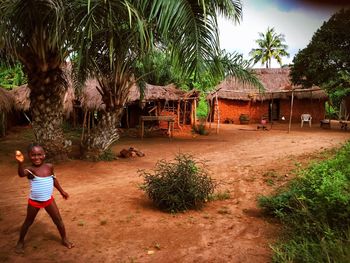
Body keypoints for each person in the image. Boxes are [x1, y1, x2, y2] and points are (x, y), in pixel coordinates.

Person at [15, 143, 74, 253]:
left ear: (44, 155)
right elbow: (21, 174)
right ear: (29, 156)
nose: (36, 157)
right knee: (28, 222)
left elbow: (54, 180)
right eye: (33, 155)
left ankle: (64, 239)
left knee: (58, 220)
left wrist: (62, 191)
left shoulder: (49, 167)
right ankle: (20, 241)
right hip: (34, 202)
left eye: (39, 154)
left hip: (48, 200)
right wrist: (20, 163)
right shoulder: (30, 169)